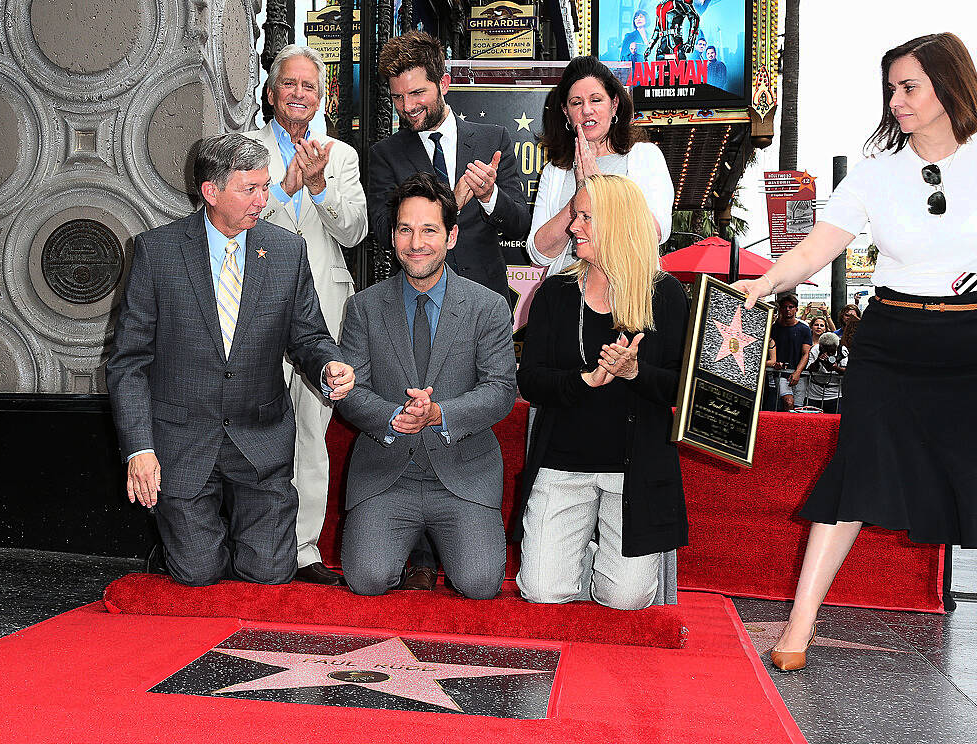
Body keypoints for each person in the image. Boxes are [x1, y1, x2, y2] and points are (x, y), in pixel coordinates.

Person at [734, 33, 977, 671]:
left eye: (909, 86)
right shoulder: (876, 173)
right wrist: (767, 280)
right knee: (854, 478)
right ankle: (797, 632)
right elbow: (816, 247)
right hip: (891, 347)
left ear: (950, 87)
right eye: (892, 88)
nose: (896, 99)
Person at [106, 133, 355, 587]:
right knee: (198, 573)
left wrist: (326, 366)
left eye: (266, 186)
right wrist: (140, 449)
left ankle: (225, 540)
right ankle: (185, 542)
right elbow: (128, 363)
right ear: (211, 192)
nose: (264, 199)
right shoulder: (156, 252)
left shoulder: (285, 251)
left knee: (269, 574)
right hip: (182, 441)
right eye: (251, 189)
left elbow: (309, 336)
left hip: (259, 439)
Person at [336, 173, 517, 600]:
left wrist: (441, 415)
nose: (416, 242)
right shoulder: (362, 307)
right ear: (393, 235)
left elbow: (501, 389)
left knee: (479, 584)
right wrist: (393, 417)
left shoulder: (487, 305)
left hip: (462, 473)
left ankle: (434, 554)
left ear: (451, 236)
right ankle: (412, 552)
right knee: (366, 580)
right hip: (386, 474)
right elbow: (351, 391)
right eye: (405, 229)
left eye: (429, 230)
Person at [516, 174, 689, 610]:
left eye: (585, 217)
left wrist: (635, 372)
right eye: (576, 215)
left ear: (618, 221)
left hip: (633, 473)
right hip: (561, 466)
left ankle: (598, 560)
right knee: (541, 591)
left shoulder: (665, 295)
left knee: (625, 598)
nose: (574, 226)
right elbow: (530, 380)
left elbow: (683, 388)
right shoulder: (553, 293)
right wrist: (583, 381)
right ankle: (579, 554)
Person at [244, 44, 368, 587]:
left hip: (322, 311)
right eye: (290, 85)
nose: (300, 94)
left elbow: (355, 232)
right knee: (256, 429)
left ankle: (304, 550)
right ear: (271, 93)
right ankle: (254, 542)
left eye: (310, 87)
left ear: (323, 97)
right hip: (256, 310)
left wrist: (318, 188)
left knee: (312, 431)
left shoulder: (340, 155)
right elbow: (229, 224)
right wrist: (285, 186)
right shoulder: (244, 149)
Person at [369, 30, 531, 303]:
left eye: (417, 93)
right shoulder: (385, 154)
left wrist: (488, 196)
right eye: (397, 97)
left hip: (486, 299)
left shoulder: (492, 140)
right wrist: (451, 204)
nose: (407, 106)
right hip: (417, 302)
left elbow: (520, 224)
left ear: (443, 83)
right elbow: (386, 233)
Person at [527, 56, 673, 278]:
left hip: (626, 294)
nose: (587, 110)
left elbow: (654, 232)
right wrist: (577, 199)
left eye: (596, 100)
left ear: (614, 105)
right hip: (564, 295)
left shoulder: (645, 156)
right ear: (566, 112)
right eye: (576, 102)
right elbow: (539, 253)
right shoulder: (555, 171)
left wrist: (599, 190)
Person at [769, 294, 812, 410]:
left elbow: (806, 353)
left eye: (791, 307)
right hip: (781, 373)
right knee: (788, 402)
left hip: (800, 374)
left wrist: (798, 372)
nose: (788, 310)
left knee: (798, 408)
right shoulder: (774, 328)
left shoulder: (804, 328)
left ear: (796, 309)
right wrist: (775, 363)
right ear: (780, 309)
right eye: (785, 307)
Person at [803, 332, 848, 413]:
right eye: (827, 351)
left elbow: (848, 372)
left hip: (834, 395)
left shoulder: (842, 351)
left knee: (835, 422)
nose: (830, 354)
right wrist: (818, 361)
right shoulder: (815, 349)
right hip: (814, 395)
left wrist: (836, 368)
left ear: (836, 347)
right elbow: (809, 369)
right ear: (821, 347)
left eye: (832, 351)